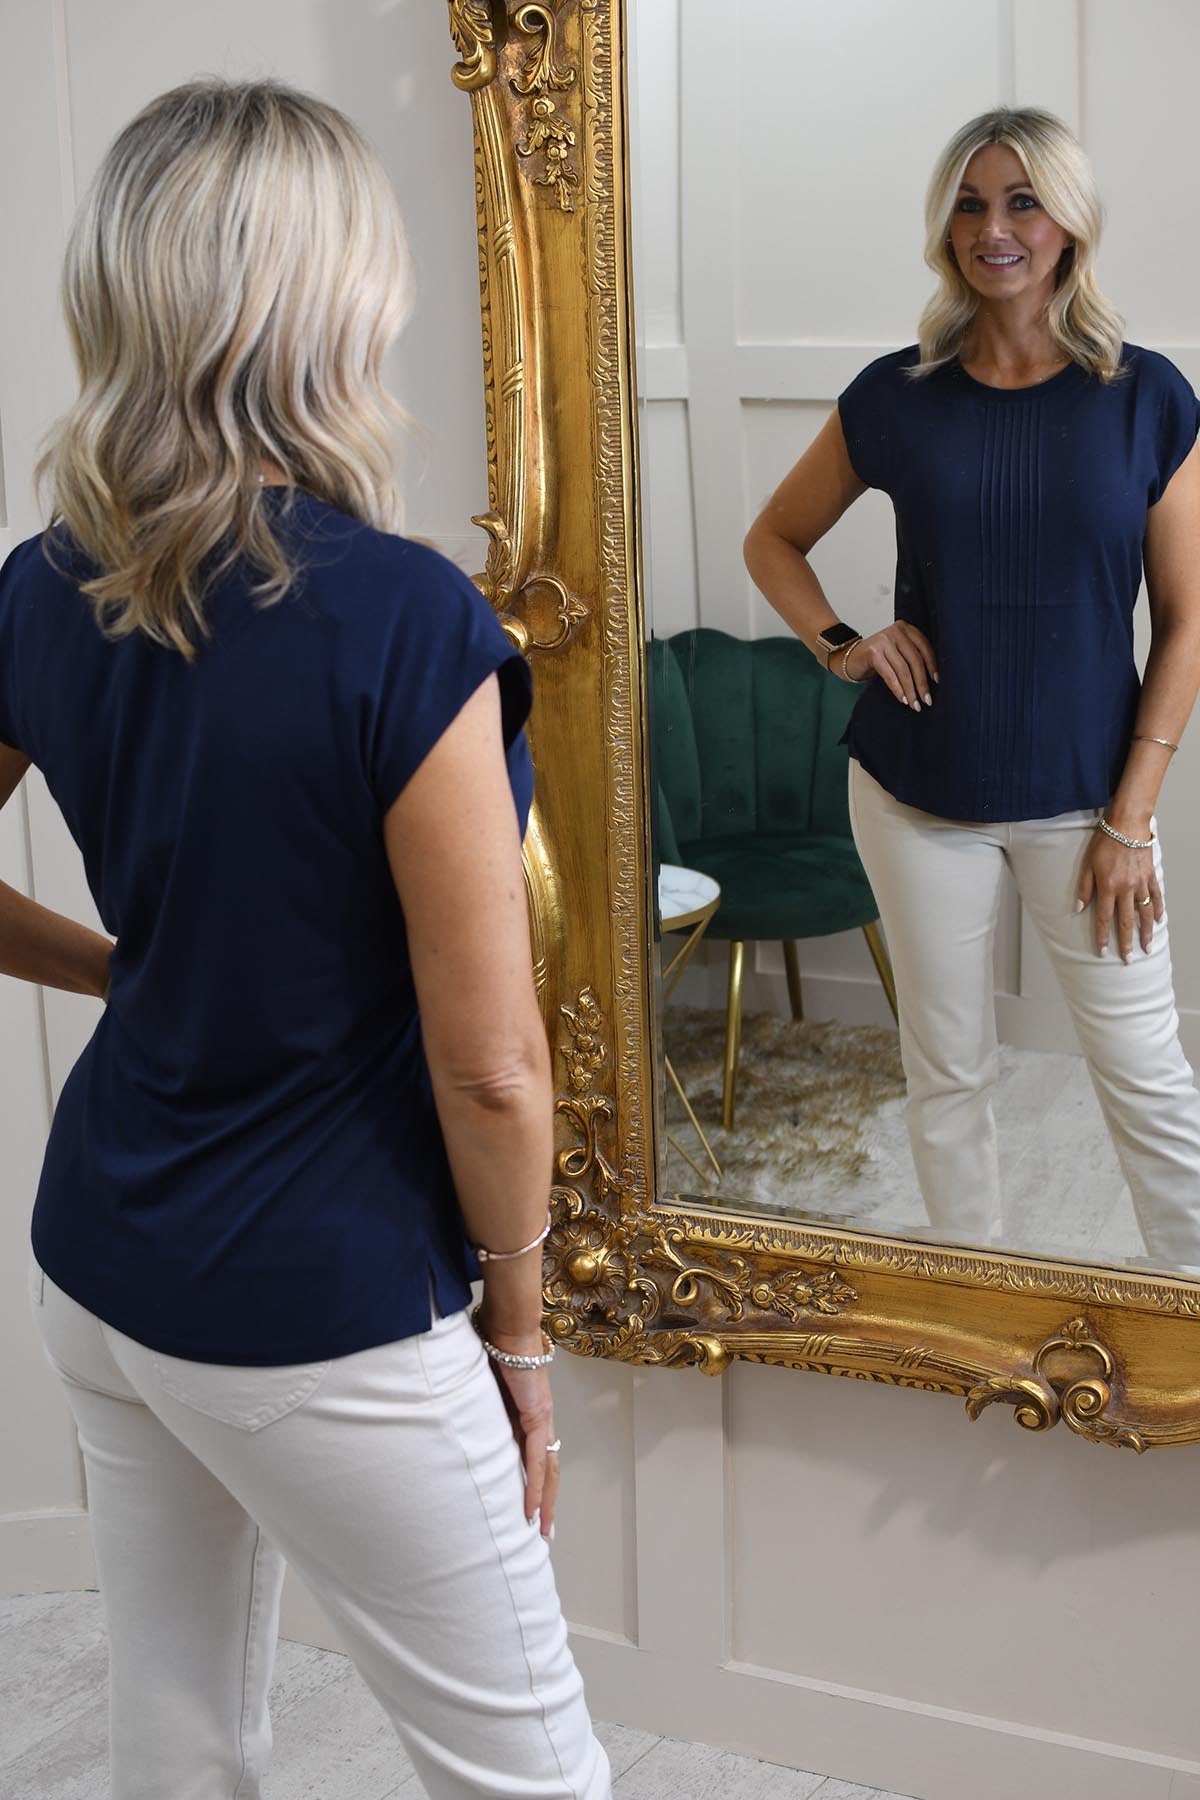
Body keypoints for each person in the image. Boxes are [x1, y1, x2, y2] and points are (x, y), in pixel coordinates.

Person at [0, 79, 611, 1800]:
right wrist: (521, 1338)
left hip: (100, 1264)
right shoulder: (402, 615)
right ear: (333, 298)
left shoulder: (44, 580)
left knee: (179, 1737)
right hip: (322, 1305)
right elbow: (493, 1069)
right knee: (535, 1779)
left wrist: (122, 970)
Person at [743, 106, 1200, 1266]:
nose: (994, 229)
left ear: (1069, 224)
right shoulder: (898, 396)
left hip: (1090, 804)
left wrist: (1131, 820)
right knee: (947, 1074)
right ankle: (972, 1314)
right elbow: (774, 540)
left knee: (1146, 1077)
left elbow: (1189, 620)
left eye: (1022, 202)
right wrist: (844, 644)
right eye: (970, 205)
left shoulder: (1146, 398)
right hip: (916, 786)